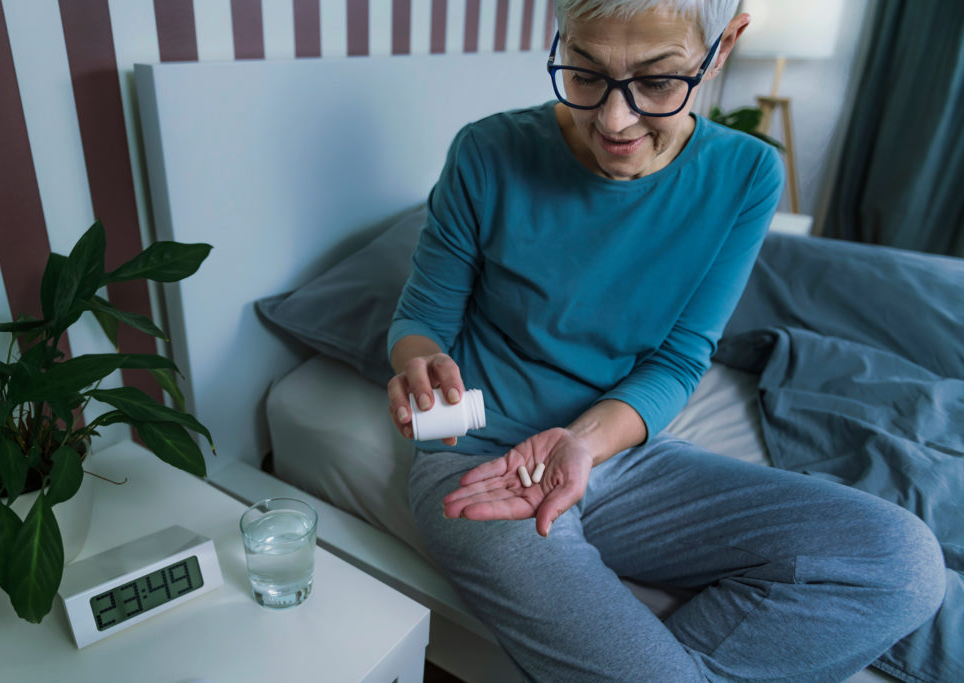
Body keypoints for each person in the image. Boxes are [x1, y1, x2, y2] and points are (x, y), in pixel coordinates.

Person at [386, 1, 946, 680]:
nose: (613, 121)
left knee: (905, 562)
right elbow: (422, 319)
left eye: (656, 82)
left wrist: (584, 444)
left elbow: (681, 356)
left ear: (726, 45)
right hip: (479, 464)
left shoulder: (745, 174)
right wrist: (417, 365)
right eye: (585, 72)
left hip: (615, 453)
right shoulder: (488, 152)